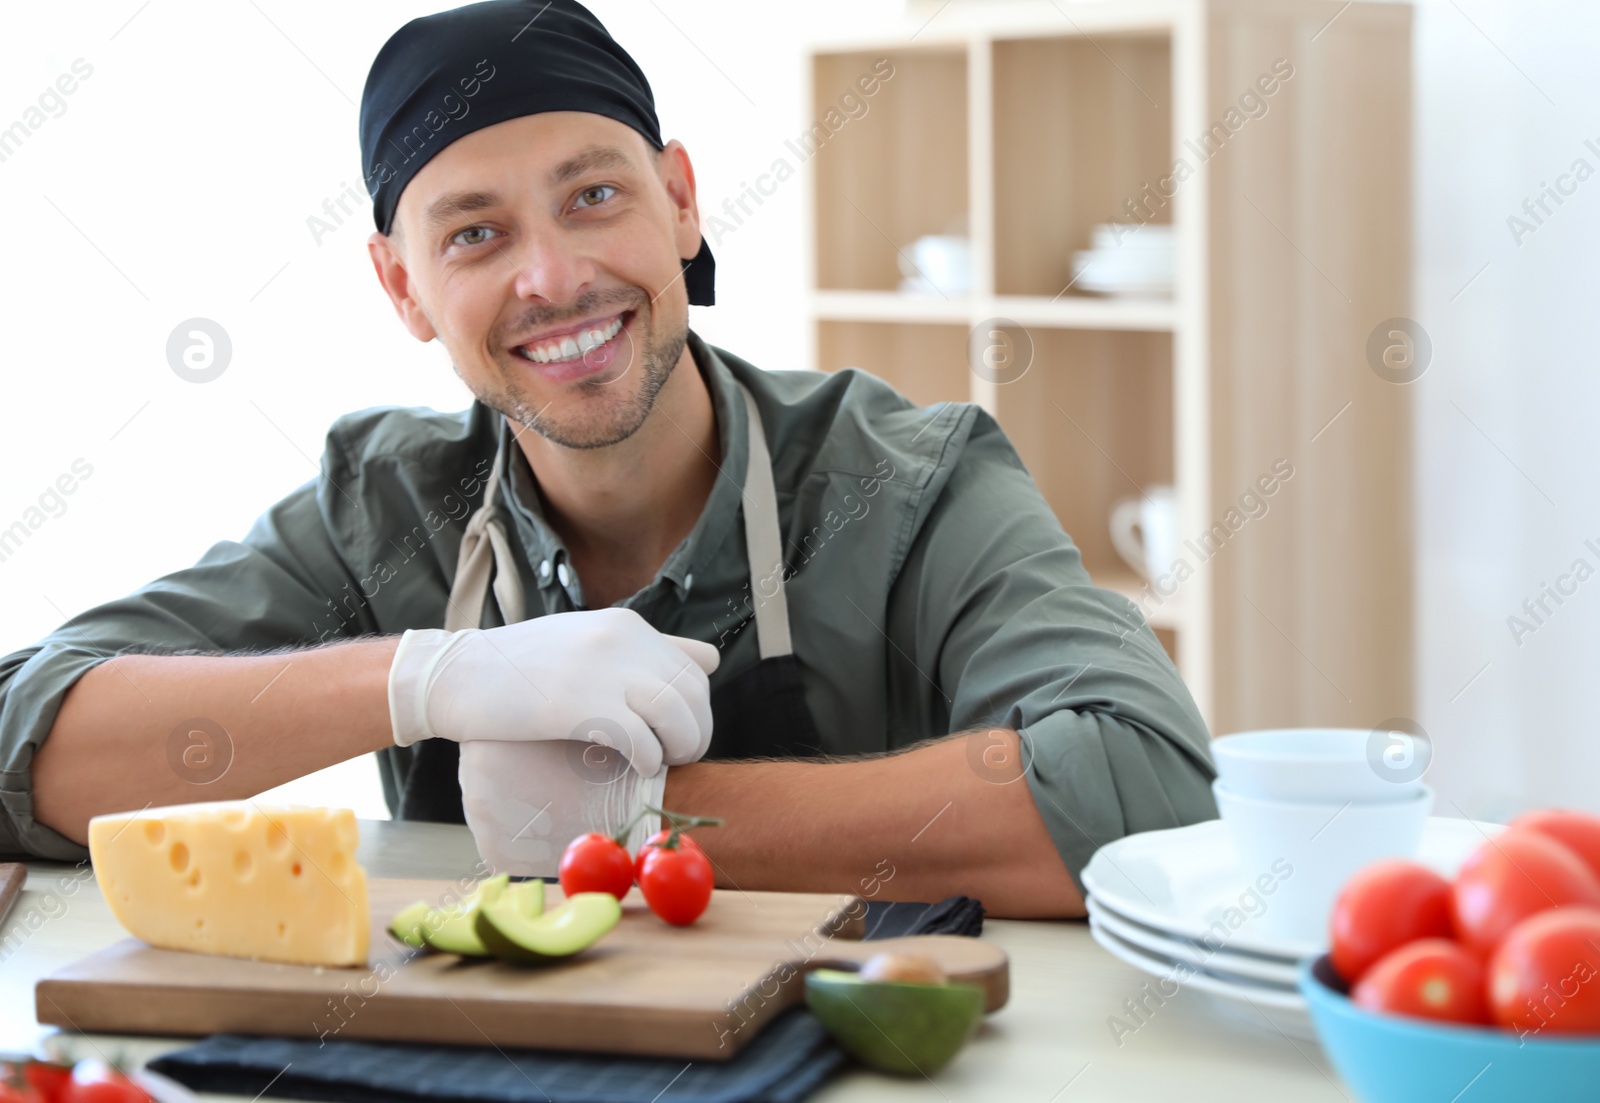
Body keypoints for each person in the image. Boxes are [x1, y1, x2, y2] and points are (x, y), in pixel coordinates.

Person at [0, 0, 1216, 918]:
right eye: (475, 232)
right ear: (402, 287)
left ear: (680, 203)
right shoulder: (384, 509)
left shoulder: (906, 480)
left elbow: (1146, 786)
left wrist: (642, 820)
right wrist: (424, 679)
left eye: (592, 196)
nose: (553, 277)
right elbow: (22, 735)